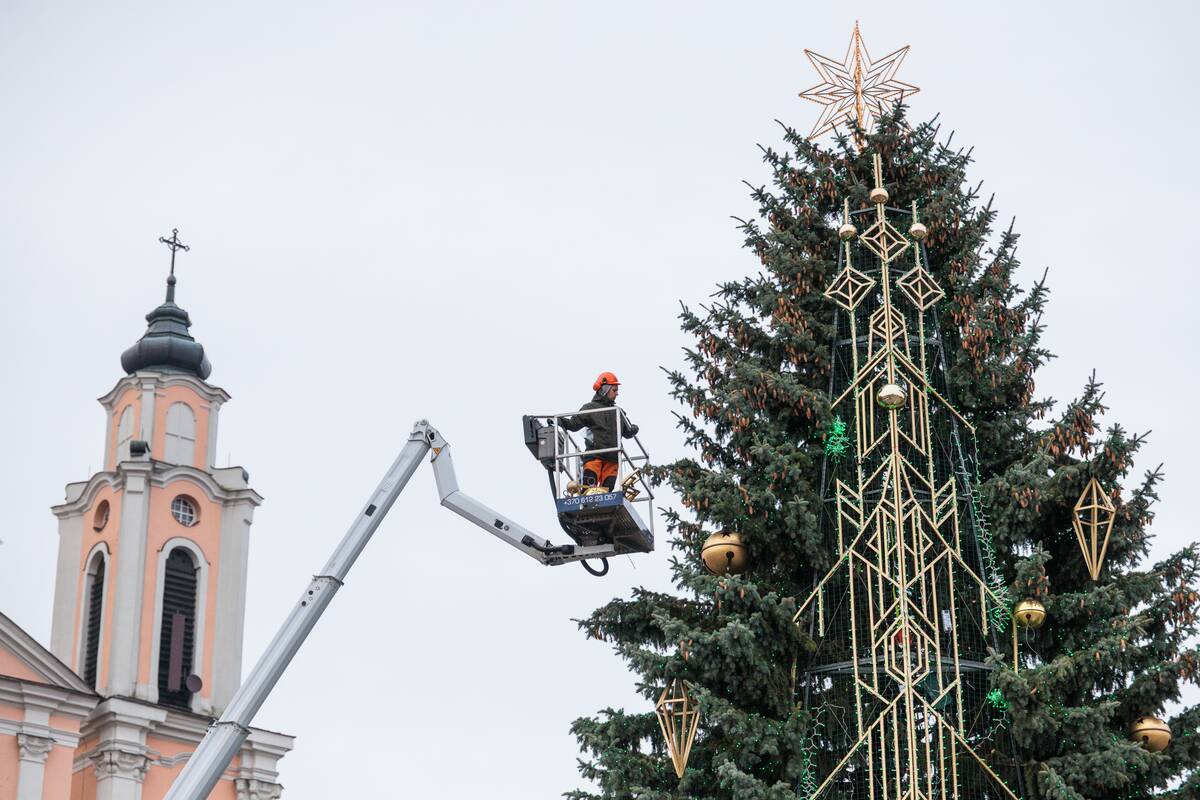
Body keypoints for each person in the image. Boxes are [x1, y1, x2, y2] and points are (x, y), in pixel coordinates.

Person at [559, 372, 639, 491]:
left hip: (612, 458)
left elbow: (627, 433)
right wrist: (560, 420)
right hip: (594, 456)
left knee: (607, 491)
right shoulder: (590, 408)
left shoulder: (617, 412)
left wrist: (633, 429)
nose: (617, 393)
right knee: (588, 488)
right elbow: (573, 425)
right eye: (614, 390)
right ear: (605, 390)